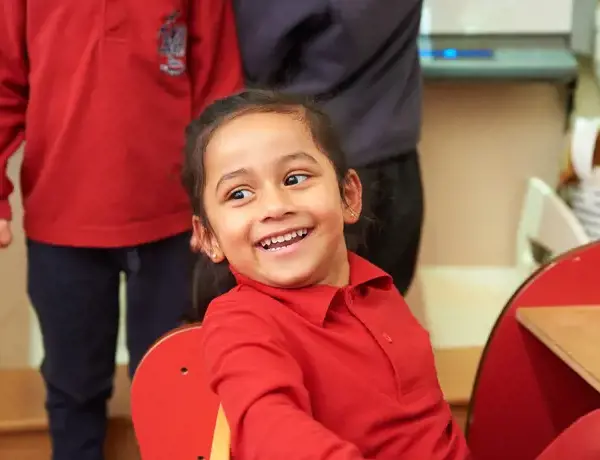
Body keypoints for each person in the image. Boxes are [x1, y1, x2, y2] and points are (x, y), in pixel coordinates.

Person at [0, 1, 242, 459]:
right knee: (73, 387)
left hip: (176, 224)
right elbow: (3, 82)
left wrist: (219, 202)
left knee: (178, 385)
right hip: (62, 221)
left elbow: (219, 89)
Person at [181, 89, 469, 459]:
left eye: (295, 178)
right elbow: (270, 431)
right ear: (208, 238)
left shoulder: (377, 287)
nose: (275, 207)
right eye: (239, 194)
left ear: (348, 195)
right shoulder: (240, 323)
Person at [232, 0, 424, 294]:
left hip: (312, 170)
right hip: (396, 163)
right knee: (381, 316)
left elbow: (258, 53)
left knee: (309, 322)